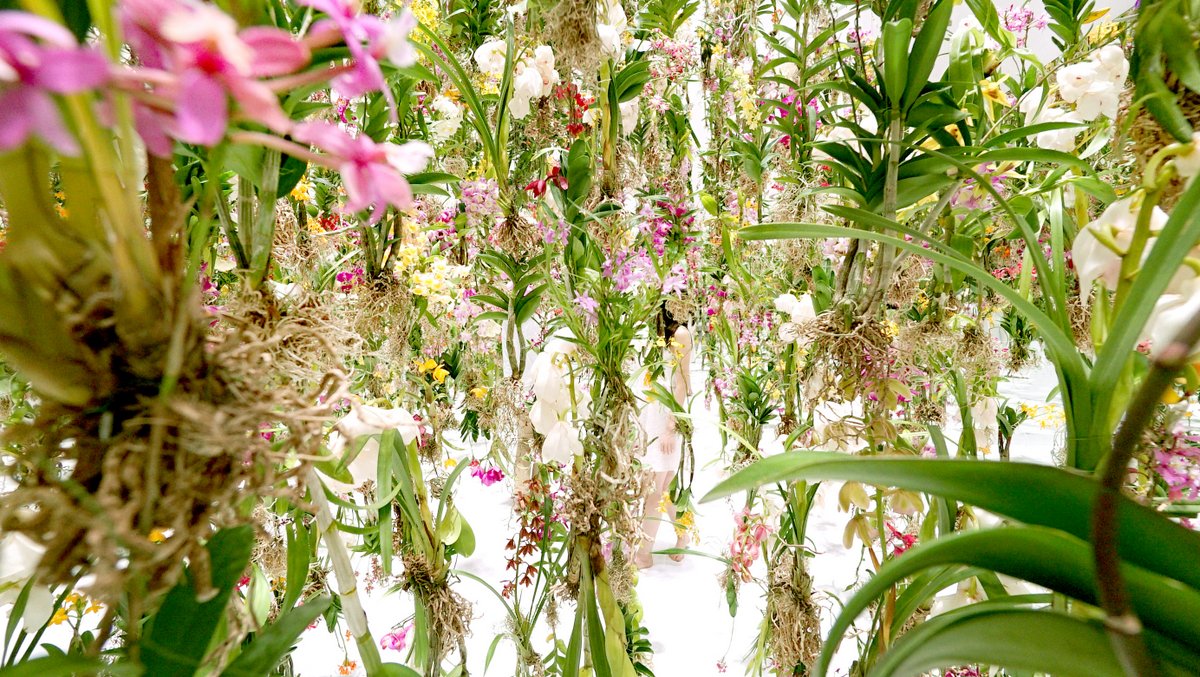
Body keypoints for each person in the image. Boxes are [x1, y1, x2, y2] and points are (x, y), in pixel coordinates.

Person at [634, 310, 693, 569]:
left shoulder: (679, 332)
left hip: (666, 414)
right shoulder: (648, 325)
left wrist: (671, 425)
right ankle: (683, 532)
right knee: (663, 486)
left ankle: (644, 553)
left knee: (655, 489)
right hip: (648, 413)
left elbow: (682, 382)